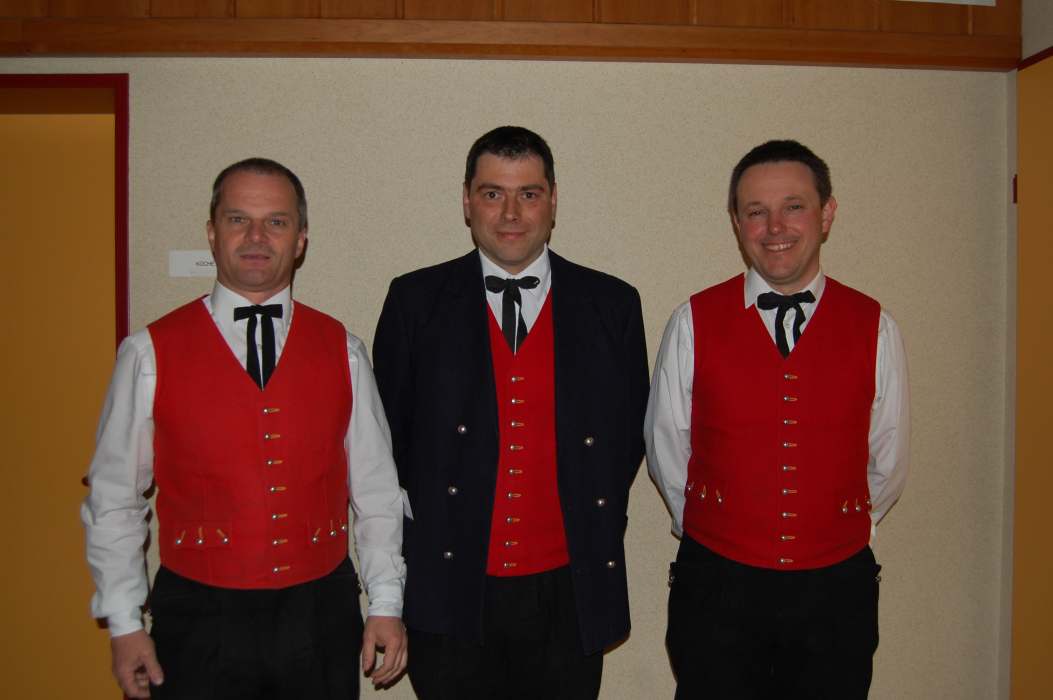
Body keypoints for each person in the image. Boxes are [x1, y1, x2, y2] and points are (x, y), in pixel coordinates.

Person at [81, 158, 407, 699]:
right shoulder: (147, 353)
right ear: (212, 233)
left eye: (276, 221)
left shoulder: (344, 351)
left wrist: (387, 604)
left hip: (320, 613)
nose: (257, 237)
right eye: (239, 220)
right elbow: (115, 496)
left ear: (300, 239)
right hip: (197, 615)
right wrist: (124, 620)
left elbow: (376, 492)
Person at [373, 125, 649, 699]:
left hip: (569, 592)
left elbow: (627, 441)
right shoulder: (414, 302)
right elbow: (388, 445)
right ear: (466, 202)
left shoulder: (613, 305)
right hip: (450, 587)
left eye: (529, 193)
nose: (511, 213)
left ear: (553, 201)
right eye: (492, 193)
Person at [645, 140, 909, 699]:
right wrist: (721, 526)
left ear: (826, 214)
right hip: (717, 585)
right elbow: (666, 446)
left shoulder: (876, 326)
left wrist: (831, 529)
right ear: (736, 223)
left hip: (835, 590)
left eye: (793, 206)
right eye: (755, 211)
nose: (774, 228)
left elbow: (888, 458)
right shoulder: (692, 321)